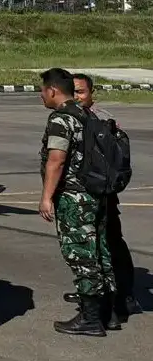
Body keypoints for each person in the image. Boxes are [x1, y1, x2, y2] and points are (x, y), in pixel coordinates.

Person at [38, 68, 118, 336]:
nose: (42, 96)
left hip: (74, 197)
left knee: (81, 255)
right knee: (100, 252)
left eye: (43, 91)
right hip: (96, 194)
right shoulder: (87, 114)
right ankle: (109, 314)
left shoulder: (61, 119)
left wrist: (47, 197)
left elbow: (57, 160)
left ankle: (91, 319)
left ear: (52, 90)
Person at [67, 73, 140, 322]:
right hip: (83, 194)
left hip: (101, 192)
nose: (76, 97)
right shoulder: (74, 117)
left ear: (91, 93)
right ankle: (96, 292)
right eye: (72, 92)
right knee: (92, 245)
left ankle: (125, 295)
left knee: (111, 242)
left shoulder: (101, 118)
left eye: (81, 92)